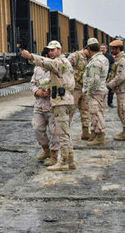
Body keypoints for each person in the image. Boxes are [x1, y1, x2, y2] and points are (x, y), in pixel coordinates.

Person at [22, 41, 76, 171]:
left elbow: (48, 64)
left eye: (53, 50)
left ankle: (62, 161)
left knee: (59, 133)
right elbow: (36, 81)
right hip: (53, 102)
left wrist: (30, 56)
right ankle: (69, 161)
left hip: (59, 102)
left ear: (60, 50)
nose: (51, 53)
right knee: (59, 132)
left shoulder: (60, 62)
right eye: (49, 51)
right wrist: (39, 90)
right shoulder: (52, 64)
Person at [30, 47, 60, 166]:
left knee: (54, 131)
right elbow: (32, 84)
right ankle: (46, 150)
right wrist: (38, 92)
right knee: (38, 128)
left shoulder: (56, 69)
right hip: (39, 105)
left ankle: (54, 155)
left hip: (52, 105)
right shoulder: (37, 69)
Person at [83, 38, 110, 146]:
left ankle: (100, 137)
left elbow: (94, 80)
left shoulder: (95, 62)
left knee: (97, 113)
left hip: (95, 92)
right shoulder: (103, 58)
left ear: (89, 49)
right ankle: (95, 133)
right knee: (96, 113)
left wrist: (88, 91)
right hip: (100, 90)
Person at [107, 40, 125, 141]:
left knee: (124, 110)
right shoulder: (120, 59)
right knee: (120, 111)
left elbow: (120, 77)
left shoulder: (122, 60)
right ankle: (124, 130)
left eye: (113, 49)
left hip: (123, 89)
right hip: (120, 89)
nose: (111, 50)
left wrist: (109, 85)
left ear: (118, 49)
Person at [67, 45, 90, 139]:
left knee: (85, 110)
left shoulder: (91, 58)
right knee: (70, 110)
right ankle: (65, 132)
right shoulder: (74, 56)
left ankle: (85, 132)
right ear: (86, 49)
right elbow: (65, 68)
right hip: (75, 89)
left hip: (85, 88)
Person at [101, 43, 116, 107]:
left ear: (106, 49)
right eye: (101, 48)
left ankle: (110, 102)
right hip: (100, 76)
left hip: (108, 75)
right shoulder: (97, 56)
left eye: (103, 48)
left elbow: (113, 66)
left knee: (110, 89)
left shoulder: (110, 57)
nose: (102, 49)